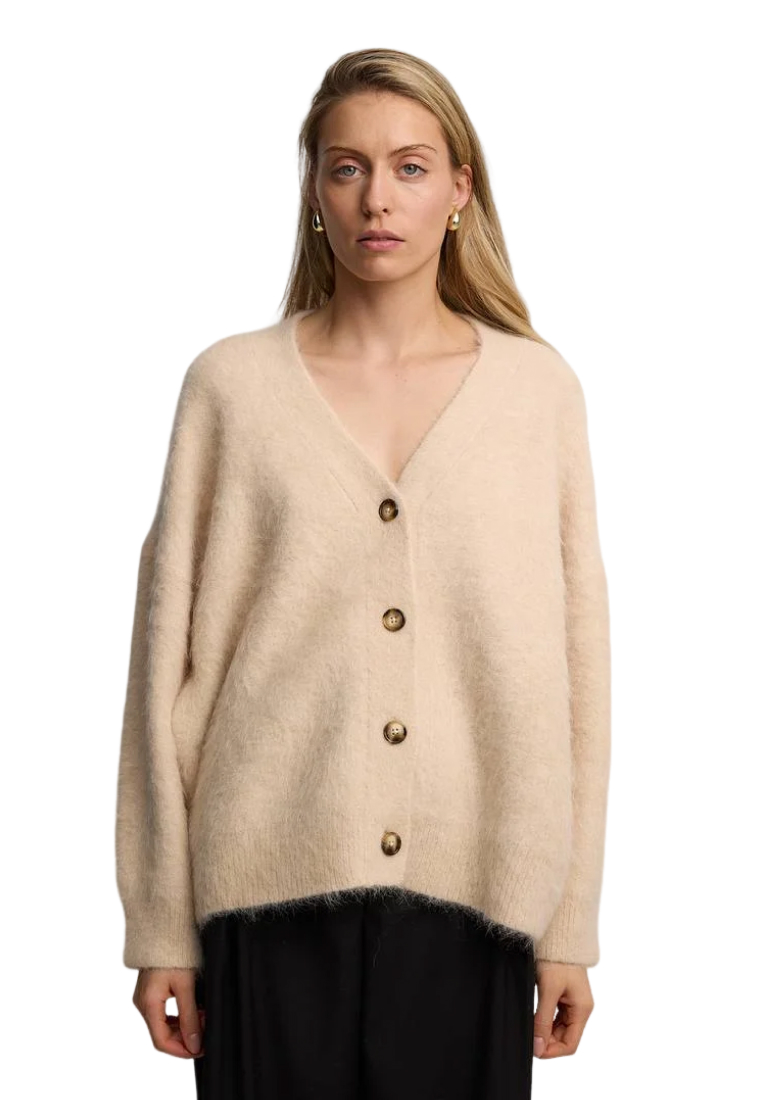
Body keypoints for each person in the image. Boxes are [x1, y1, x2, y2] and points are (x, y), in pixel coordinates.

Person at [115, 47, 611, 1099]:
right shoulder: (231, 389)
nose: (376, 197)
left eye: (410, 167)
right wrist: (160, 920)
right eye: (347, 167)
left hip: (477, 909)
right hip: (262, 904)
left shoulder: (537, 393)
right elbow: (162, 668)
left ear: (460, 190)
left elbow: (577, 674)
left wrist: (571, 922)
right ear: (315, 189)